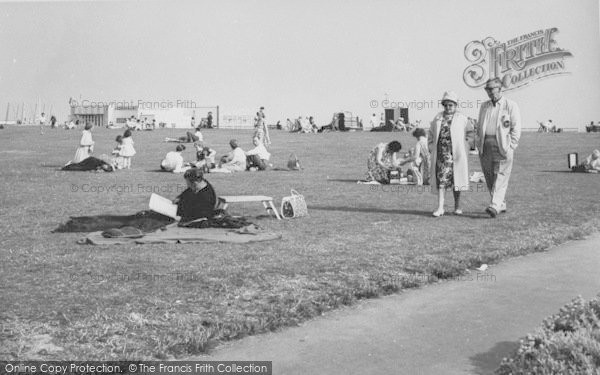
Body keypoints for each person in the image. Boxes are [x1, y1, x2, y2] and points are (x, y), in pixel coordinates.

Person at [476, 77, 522, 218]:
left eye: (491, 89)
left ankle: (494, 205)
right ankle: (500, 203)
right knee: (489, 176)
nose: (489, 92)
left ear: (500, 88)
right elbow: (479, 126)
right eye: (486, 89)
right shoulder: (484, 106)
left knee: (501, 175)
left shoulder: (510, 105)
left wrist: (511, 146)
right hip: (486, 145)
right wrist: (479, 144)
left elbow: (516, 127)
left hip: (503, 145)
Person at [428, 91, 471, 217]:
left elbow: (470, 134)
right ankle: (440, 207)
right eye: (446, 105)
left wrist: (466, 147)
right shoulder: (437, 118)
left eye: (451, 105)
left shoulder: (462, 119)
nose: (448, 108)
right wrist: (431, 147)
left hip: (457, 155)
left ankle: (457, 206)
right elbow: (430, 135)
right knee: (441, 181)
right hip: (442, 155)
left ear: (455, 105)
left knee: (456, 182)